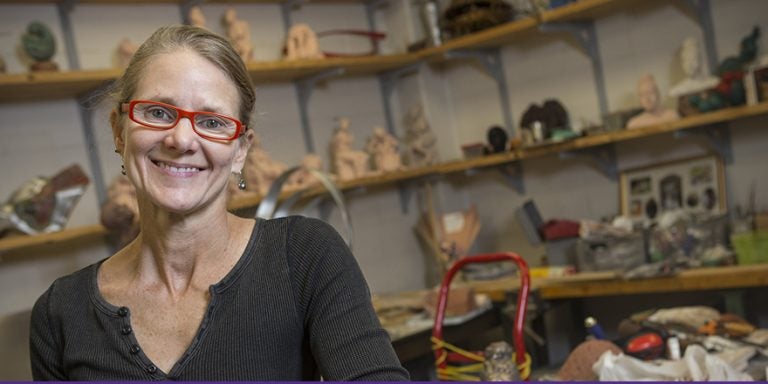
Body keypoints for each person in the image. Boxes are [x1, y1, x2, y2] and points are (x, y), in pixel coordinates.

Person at [28, 25, 409, 381]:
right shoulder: (60, 313)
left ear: (241, 150)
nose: (181, 139)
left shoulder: (305, 257)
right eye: (158, 113)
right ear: (119, 130)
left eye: (211, 122)